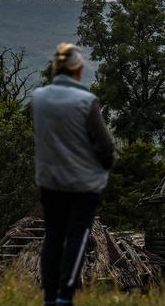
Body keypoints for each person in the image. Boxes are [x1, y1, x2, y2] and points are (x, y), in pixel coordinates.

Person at [32, 43, 114, 306]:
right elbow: (104, 145)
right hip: (82, 183)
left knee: (53, 236)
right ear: (78, 70)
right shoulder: (86, 102)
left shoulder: (39, 98)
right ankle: (65, 295)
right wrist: (104, 166)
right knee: (77, 237)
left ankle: (48, 295)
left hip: (49, 180)